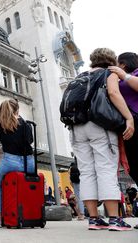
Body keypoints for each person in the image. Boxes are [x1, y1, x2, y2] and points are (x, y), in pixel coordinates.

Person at [70, 48, 134, 231]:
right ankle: (114, 218)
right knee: (105, 169)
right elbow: (113, 93)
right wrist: (128, 118)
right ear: (111, 60)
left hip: (76, 128)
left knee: (87, 172)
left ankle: (94, 219)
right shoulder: (109, 72)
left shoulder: (79, 77)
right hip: (99, 126)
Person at [0, 99, 35, 228]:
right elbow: (30, 141)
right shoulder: (26, 124)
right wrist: (19, 117)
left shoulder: (0, 124)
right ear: (17, 110)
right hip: (29, 162)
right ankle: (32, 213)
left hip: (10, 161)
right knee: (31, 183)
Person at [108, 53, 138, 185]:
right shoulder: (116, 79)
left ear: (123, 64)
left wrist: (124, 75)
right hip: (127, 125)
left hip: (134, 119)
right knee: (132, 163)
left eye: (117, 63)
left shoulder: (133, 74)